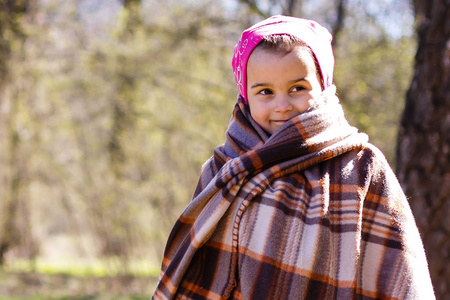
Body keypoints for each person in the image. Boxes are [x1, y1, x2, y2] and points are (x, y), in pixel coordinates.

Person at [152, 15, 435, 299]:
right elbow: (192, 262)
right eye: (265, 92)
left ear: (322, 85)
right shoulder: (222, 169)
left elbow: (401, 274)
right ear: (246, 97)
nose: (282, 105)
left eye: (297, 88)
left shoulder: (361, 168)